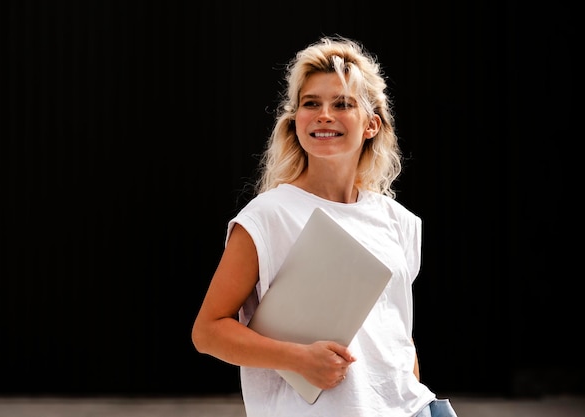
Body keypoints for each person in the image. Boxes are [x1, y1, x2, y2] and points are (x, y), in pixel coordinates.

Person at [191, 35, 458, 417]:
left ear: (371, 125)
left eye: (342, 104)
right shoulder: (267, 216)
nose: (324, 115)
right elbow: (208, 332)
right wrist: (298, 358)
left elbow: (398, 335)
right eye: (311, 103)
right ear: (296, 119)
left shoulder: (398, 222)